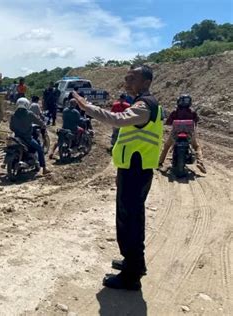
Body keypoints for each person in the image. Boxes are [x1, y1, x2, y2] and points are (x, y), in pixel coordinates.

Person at [72, 65, 163, 291]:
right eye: (126, 77)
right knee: (132, 219)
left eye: (132, 78)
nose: (126, 80)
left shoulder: (144, 105)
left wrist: (88, 107)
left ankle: (131, 275)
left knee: (129, 222)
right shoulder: (144, 102)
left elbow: (118, 119)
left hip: (135, 170)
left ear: (146, 82)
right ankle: (133, 264)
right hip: (133, 169)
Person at [158, 94, 206, 173]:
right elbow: (196, 120)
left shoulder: (175, 112)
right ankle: (200, 162)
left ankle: (160, 163)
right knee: (196, 146)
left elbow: (169, 122)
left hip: (175, 133)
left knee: (166, 146)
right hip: (189, 133)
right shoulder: (192, 112)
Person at [10, 98, 51, 175]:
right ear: (26, 105)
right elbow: (39, 121)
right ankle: (44, 168)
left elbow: (11, 127)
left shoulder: (13, 114)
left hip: (17, 137)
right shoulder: (29, 114)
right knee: (40, 149)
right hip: (27, 138)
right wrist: (43, 125)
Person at [48, 93, 81, 159]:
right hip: (72, 129)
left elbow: (63, 118)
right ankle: (77, 143)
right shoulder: (76, 112)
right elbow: (78, 121)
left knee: (58, 141)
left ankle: (51, 152)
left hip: (64, 128)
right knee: (81, 130)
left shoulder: (65, 110)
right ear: (75, 104)